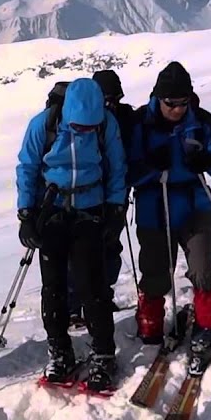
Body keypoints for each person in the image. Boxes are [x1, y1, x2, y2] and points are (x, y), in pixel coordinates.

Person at [15, 78, 127, 392]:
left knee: (92, 284)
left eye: (91, 128)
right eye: (79, 127)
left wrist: (116, 208)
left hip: (90, 210)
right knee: (53, 286)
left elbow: (117, 167)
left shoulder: (107, 125)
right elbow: (27, 167)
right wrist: (26, 213)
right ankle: (60, 351)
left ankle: (104, 352)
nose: (85, 133)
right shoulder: (45, 124)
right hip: (51, 209)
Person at [127, 62, 211, 370]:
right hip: (154, 210)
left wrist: (207, 160)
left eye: (183, 102)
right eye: (171, 103)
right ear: (158, 97)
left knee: (202, 269)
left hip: (194, 207)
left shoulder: (200, 121)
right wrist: (150, 165)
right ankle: (149, 323)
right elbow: (124, 174)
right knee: (155, 273)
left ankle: (208, 328)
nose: (177, 109)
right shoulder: (140, 124)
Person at [65, 69, 136, 323]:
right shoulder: (85, 118)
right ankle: (74, 304)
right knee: (78, 251)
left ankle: (100, 296)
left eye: (114, 99)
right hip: (88, 195)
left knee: (109, 246)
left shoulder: (125, 118)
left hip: (114, 193)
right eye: (106, 100)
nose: (110, 105)